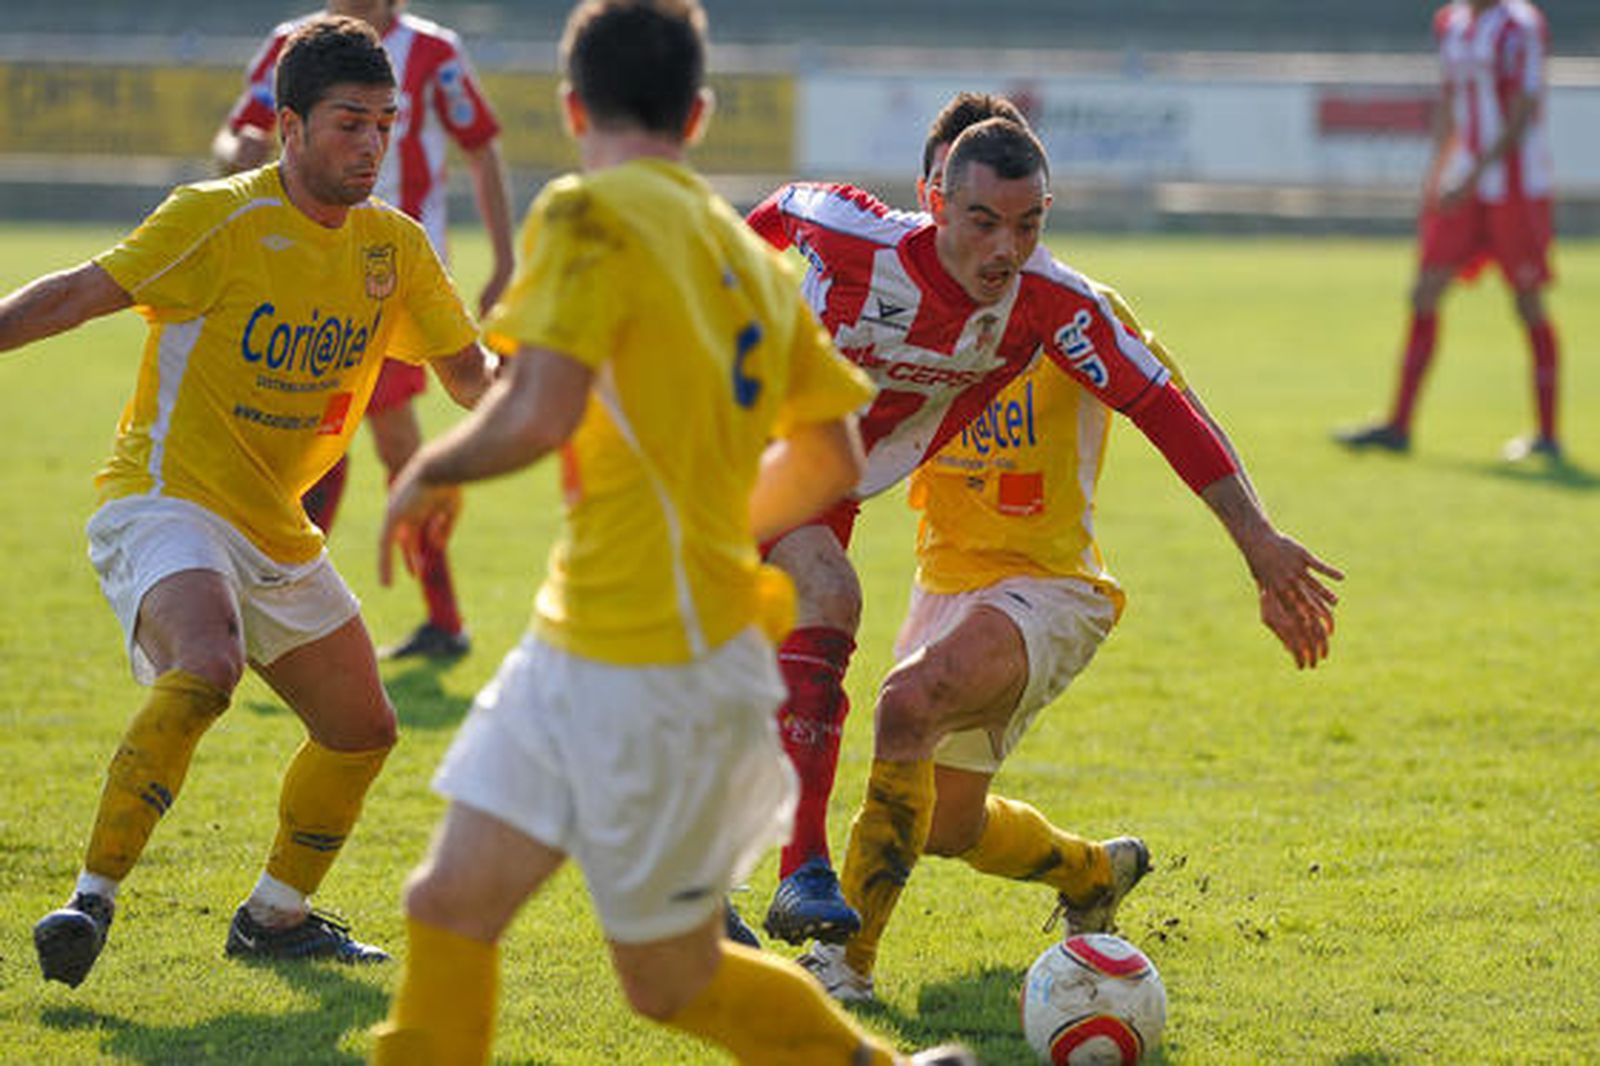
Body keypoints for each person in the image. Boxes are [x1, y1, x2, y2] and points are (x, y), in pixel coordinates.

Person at [366, 3, 972, 1064]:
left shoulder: (587, 211)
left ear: (569, 108)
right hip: (632, 650)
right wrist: (708, 524)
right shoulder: (750, 257)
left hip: (628, 660)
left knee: (524, 931)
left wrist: (433, 462)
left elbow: (540, 405)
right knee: (556, 939)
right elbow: (830, 458)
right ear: (698, 115)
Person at [796, 93, 1343, 1002]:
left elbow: (1169, 409)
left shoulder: (1064, 310)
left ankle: (840, 972)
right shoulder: (889, 296)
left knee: (906, 703)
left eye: (1021, 224)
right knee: (944, 823)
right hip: (946, 583)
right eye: (970, 216)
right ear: (931, 199)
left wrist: (1259, 544)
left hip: (1051, 586)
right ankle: (1091, 872)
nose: (998, 248)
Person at [3, 15, 495, 988]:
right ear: (290, 125)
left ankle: (276, 917)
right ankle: (90, 900)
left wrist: (590, 394)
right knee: (208, 662)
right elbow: (72, 296)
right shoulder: (214, 215)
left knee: (365, 729)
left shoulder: (391, 247)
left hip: (277, 523)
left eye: (385, 125)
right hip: (165, 498)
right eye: (349, 121)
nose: (370, 144)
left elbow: (475, 378)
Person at [215, 0, 516, 659]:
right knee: (327, 436)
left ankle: (414, 616)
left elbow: (482, 149)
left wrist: (505, 257)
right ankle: (294, 601)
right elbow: (240, 131)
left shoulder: (434, 53)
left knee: (378, 439)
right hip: (300, 277)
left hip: (395, 281)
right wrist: (235, 156)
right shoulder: (292, 43)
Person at [1335, 0, 1561, 461]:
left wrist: (1471, 176)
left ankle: (1546, 433)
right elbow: (1451, 104)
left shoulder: (1520, 25)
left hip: (1514, 188)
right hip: (1464, 185)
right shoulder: (1451, 22)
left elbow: (1521, 111)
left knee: (1527, 302)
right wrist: (1437, 173)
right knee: (1424, 291)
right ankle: (1398, 425)